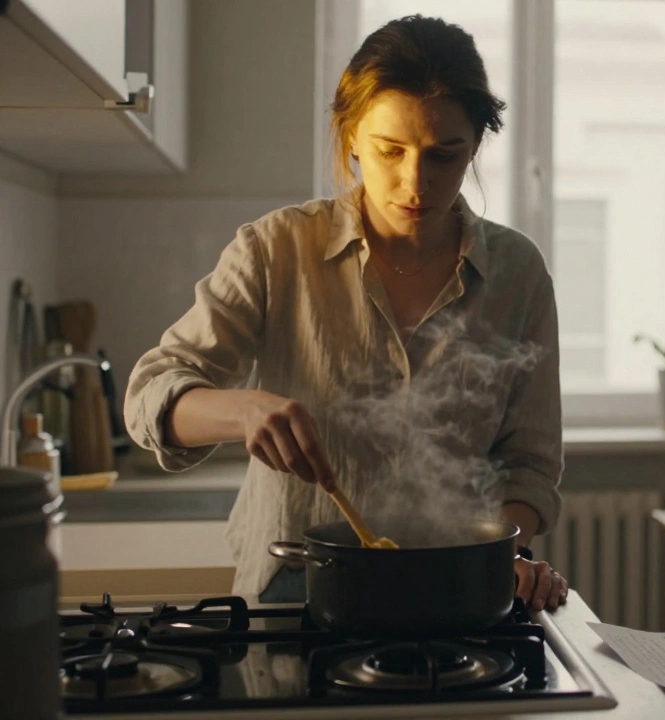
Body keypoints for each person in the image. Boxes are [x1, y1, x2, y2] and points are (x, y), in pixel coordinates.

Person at [125, 15, 569, 612]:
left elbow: (529, 464)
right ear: (351, 135)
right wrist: (243, 409)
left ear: (476, 147)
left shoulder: (519, 274)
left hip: (454, 591)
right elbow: (148, 397)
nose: (416, 182)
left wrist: (502, 552)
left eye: (445, 154)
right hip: (295, 591)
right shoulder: (275, 250)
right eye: (391, 150)